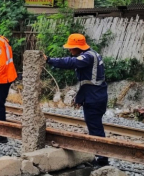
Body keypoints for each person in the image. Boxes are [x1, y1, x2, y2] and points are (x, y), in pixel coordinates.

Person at [45, 33, 109, 166]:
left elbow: (70, 62)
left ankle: (102, 159)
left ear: (78, 47)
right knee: (94, 126)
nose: (69, 50)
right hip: (95, 96)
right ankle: (99, 155)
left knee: (95, 128)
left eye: (71, 47)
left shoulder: (87, 57)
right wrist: (80, 98)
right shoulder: (91, 55)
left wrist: (49, 60)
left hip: (95, 98)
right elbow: (87, 82)